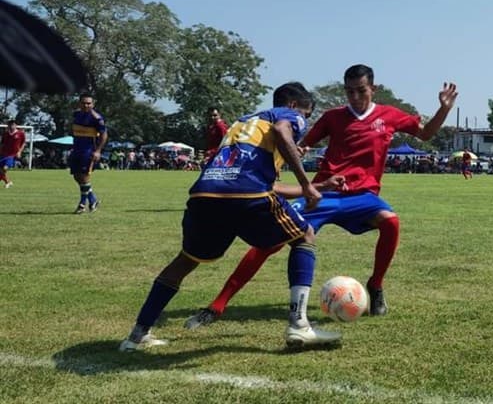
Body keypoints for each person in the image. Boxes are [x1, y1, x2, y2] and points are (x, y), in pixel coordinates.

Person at [186, 64, 458, 328]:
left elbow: (425, 133)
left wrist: (443, 110)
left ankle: (375, 286)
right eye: (349, 91)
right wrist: (299, 151)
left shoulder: (389, 115)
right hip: (323, 192)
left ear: (373, 88)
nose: (355, 97)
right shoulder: (332, 117)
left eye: (361, 90)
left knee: (391, 222)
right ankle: (217, 305)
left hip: (362, 196)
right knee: (270, 241)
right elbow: (300, 144)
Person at [119, 82, 345, 352]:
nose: (302, 125)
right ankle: (299, 326)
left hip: (205, 195)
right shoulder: (288, 116)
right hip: (245, 194)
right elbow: (283, 130)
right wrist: (306, 184)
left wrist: (319, 186)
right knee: (304, 235)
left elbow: (269, 186)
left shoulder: (244, 124)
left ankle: (137, 334)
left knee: (185, 261)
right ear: (294, 106)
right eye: (306, 116)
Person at [69, 93, 108, 213]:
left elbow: (104, 135)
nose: (86, 105)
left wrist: (98, 151)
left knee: (85, 176)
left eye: (89, 103)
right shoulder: (76, 115)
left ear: (93, 104)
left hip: (88, 150)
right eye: (84, 103)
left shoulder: (97, 118)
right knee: (77, 176)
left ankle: (82, 204)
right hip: (76, 149)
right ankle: (93, 199)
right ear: (79, 103)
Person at [0, 120, 26, 188]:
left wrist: (19, 151)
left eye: (13, 125)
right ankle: (8, 182)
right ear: (8, 126)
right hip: (3, 154)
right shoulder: (5, 133)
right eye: (10, 125)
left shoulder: (20, 133)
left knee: (4, 168)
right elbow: (2, 144)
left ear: (16, 125)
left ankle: (7, 182)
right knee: (1, 170)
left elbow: (23, 143)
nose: (11, 126)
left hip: (12, 155)